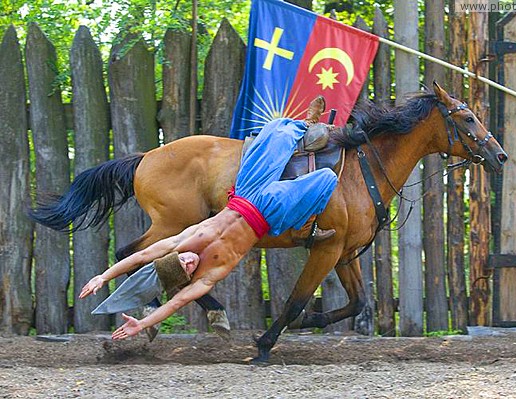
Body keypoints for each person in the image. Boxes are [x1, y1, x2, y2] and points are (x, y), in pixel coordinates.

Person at [80, 112, 339, 340]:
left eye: (182, 260)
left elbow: (144, 254)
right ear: (189, 276)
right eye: (187, 268)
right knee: (326, 179)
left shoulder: (187, 238)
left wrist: (103, 277)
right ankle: (306, 225)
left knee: (276, 131)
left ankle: (305, 122)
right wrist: (142, 324)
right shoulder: (208, 276)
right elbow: (176, 303)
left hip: (245, 193)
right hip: (265, 212)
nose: (189, 261)